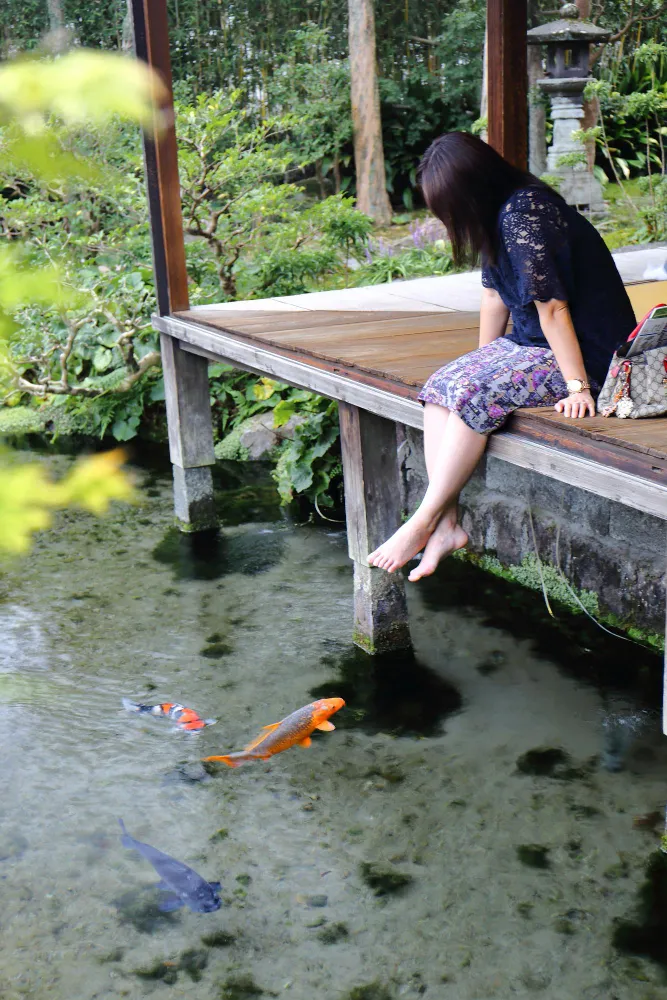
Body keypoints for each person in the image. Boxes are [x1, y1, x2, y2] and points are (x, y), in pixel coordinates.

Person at [368, 131, 636, 583]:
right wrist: (481, 362)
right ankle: (448, 524)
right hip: (535, 345)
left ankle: (421, 521)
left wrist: (578, 385)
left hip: (587, 352)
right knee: (442, 387)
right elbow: (494, 295)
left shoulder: (526, 213)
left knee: (474, 395)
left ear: (473, 188)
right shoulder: (498, 213)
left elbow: (553, 306)